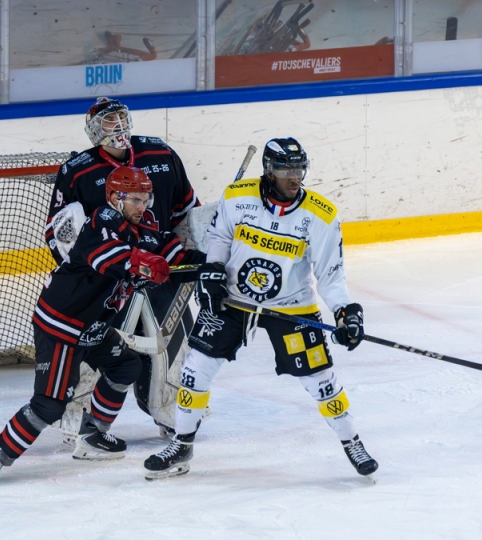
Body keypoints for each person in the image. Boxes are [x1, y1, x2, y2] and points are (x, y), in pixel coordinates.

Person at [143, 138, 379, 480]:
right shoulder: (237, 196)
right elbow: (221, 238)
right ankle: (181, 444)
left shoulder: (320, 215)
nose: (294, 178)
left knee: (322, 382)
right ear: (268, 171)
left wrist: (346, 312)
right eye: (285, 171)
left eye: (299, 170)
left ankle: (352, 441)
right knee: (195, 371)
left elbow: (330, 274)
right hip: (234, 300)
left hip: (291, 305)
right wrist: (213, 271)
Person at [0, 167, 204, 486]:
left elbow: (166, 257)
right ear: (114, 198)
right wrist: (143, 264)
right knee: (49, 404)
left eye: (146, 198)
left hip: (92, 324)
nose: (142, 205)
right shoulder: (102, 221)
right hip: (63, 325)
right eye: (135, 198)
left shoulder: (141, 224)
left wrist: (206, 266)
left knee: (125, 367)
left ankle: (93, 436)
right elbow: (107, 256)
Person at [45, 97, 200, 432]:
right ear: (93, 130)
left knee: (174, 341)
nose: (117, 127)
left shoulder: (160, 155)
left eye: (120, 118)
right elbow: (59, 233)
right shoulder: (77, 171)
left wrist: (191, 263)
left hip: (160, 269)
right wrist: (83, 276)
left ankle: (172, 408)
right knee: (92, 340)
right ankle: (77, 411)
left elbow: (185, 214)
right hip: (106, 280)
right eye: (107, 121)